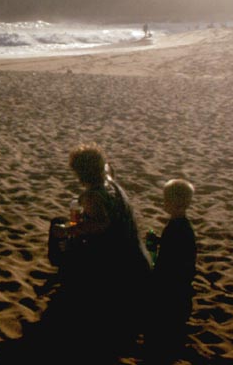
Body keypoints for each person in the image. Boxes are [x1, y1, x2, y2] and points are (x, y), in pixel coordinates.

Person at [49, 144, 151, 360]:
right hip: (134, 256)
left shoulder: (93, 196)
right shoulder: (112, 185)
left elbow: (101, 224)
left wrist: (68, 230)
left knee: (61, 234)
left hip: (117, 263)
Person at [145, 179, 197, 363]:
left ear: (173, 203)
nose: (163, 203)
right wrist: (159, 242)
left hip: (171, 291)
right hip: (180, 290)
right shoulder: (182, 226)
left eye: (165, 199)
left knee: (162, 335)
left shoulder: (176, 228)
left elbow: (169, 263)